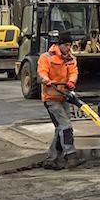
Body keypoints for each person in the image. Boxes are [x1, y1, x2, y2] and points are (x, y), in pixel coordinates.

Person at [38, 31, 82, 169]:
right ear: (59, 44)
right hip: (51, 98)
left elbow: (74, 72)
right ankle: (71, 155)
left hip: (64, 96)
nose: (68, 48)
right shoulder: (47, 57)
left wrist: (71, 82)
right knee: (66, 126)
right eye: (66, 45)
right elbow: (42, 71)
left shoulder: (70, 59)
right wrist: (46, 80)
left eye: (70, 45)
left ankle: (52, 158)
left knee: (60, 128)